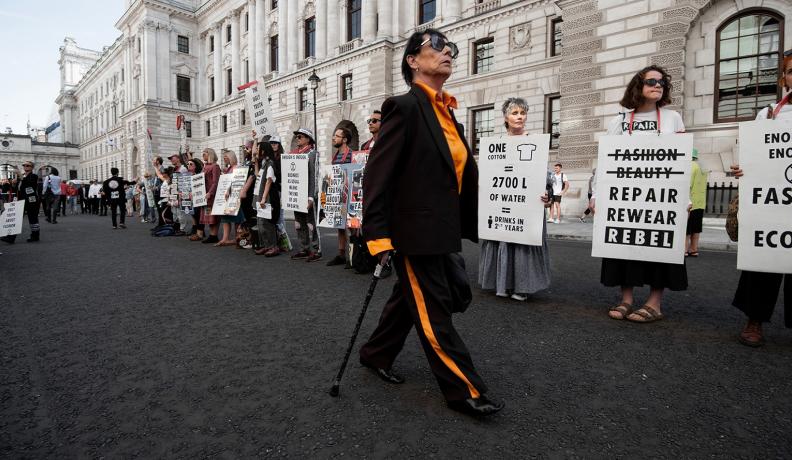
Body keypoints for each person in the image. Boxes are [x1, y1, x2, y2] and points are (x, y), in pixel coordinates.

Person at [358, 28, 503, 416]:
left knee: (410, 300)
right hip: (414, 233)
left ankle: (375, 353)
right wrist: (378, 236)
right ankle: (464, 389)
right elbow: (377, 176)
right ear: (412, 61)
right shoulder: (403, 107)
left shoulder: (447, 110)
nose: (447, 52)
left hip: (441, 228)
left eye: (450, 48)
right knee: (434, 309)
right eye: (435, 47)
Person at [597, 65, 688, 323]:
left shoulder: (673, 119)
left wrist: (686, 197)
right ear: (638, 86)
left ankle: (654, 303)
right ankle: (626, 299)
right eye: (651, 81)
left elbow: (683, 160)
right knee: (625, 246)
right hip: (625, 196)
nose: (658, 86)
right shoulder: (620, 121)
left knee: (659, 246)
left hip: (661, 197)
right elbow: (605, 161)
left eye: (662, 83)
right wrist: (597, 195)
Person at [730, 51, 792, 347]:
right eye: (791, 71)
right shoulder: (769, 113)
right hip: (772, 200)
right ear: (784, 77)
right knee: (764, 257)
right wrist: (744, 169)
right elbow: (754, 154)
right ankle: (754, 319)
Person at [478, 97, 552, 301]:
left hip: (527, 204)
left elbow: (546, 176)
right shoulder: (496, 145)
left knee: (523, 242)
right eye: (514, 113)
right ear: (506, 117)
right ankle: (501, 283)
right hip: (502, 202)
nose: (519, 117)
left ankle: (522, 286)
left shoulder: (536, 142)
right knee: (501, 238)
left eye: (522, 113)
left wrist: (547, 195)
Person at [290, 128, 321, 261]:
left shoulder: (312, 154)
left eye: (300, 136)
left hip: (308, 194)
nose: (298, 138)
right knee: (299, 223)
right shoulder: (294, 154)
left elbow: (314, 176)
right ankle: (304, 248)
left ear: (308, 139)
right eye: (297, 136)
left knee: (311, 223)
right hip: (297, 194)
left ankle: (316, 249)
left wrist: (311, 197)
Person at [326, 127, 353, 266]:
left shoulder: (352, 155)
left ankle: (353, 257)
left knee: (353, 227)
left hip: (349, 196)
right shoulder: (335, 156)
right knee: (340, 225)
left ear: (344, 139)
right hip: (338, 195)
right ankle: (341, 255)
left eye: (336, 136)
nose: (333, 138)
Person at [253, 140, 281, 256]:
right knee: (261, 223)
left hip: (268, 197)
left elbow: (269, 180)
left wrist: (264, 198)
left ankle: (273, 246)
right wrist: (255, 162)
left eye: (259, 148)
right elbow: (257, 176)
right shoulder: (264, 162)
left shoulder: (270, 163)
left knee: (268, 223)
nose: (257, 151)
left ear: (263, 150)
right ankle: (266, 245)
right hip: (261, 196)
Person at [0, 161, 40, 243]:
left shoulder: (34, 176)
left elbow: (29, 184)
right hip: (22, 200)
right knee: (16, 218)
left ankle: (35, 236)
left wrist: (19, 175)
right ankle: (11, 238)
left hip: (32, 201)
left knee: (33, 218)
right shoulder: (21, 177)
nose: (25, 167)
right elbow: (17, 189)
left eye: (28, 165)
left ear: (32, 167)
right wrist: (14, 184)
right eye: (24, 165)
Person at [215, 150, 245, 247]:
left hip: (234, 195)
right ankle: (225, 238)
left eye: (226, 157)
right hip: (227, 196)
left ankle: (237, 237)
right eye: (224, 157)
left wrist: (228, 189)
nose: (224, 159)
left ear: (231, 157)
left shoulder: (236, 167)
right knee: (226, 217)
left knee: (236, 217)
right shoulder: (229, 168)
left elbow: (237, 180)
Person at [268, 136, 292, 253]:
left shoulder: (283, 158)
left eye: (275, 143)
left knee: (280, 216)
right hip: (271, 190)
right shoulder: (269, 158)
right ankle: (276, 241)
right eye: (271, 143)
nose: (273, 145)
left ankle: (284, 242)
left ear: (279, 144)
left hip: (280, 189)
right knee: (273, 216)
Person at [685, 149, 707, 257]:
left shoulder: (690, 166)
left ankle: (684, 250)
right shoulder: (702, 166)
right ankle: (693, 249)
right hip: (700, 202)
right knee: (696, 228)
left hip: (690, 202)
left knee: (687, 229)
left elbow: (687, 185)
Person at [200, 148, 222, 244]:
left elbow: (215, 182)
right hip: (205, 195)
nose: (203, 156)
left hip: (212, 195)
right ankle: (212, 235)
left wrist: (210, 192)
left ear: (210, 155)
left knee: (213, 215)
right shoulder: (204, 166)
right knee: (208, 215)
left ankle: (214, 235)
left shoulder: (215, 166)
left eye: (204, 154)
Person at [186, 158, 205, 241]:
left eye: (191, 164)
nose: (188, 165)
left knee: (198, 214)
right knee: (193, 214)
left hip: (198, 199)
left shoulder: (199, 175)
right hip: (190, 199)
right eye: (188, 164)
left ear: (196, 166)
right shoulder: (188, 175)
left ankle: (199, 233)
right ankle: (198, 232)